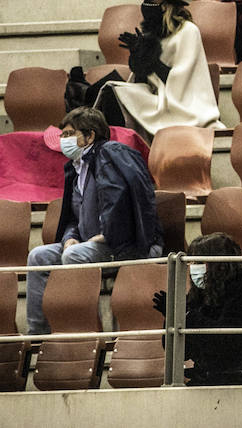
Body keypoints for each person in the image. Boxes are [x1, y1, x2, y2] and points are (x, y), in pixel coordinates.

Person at [26, 107, 161, 334]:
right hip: (93, 245)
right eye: (63, 135)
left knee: (73, 255)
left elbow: (121, 200)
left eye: (69, 134)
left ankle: (83, 332)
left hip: (125, 245)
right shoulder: (76, 169)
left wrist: (105, 235)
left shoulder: (111, 154)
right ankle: (38, 334)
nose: (63, 140)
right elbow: (73, 218)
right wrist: (70, 237)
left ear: (90, 136)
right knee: (38, 256)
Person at [91, 0, 221, 139]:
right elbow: (142, 80)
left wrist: (151, 59)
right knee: (102, 89)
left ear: (166, 5)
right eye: (144, 0)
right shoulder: (152, 32)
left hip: (180, 105)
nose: (145, 5)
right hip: (155, 97)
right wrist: (137, 55)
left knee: (113, 93)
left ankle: (126, 150)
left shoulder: (188, 31)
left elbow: (181, 83)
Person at [154, 232, 242, 386]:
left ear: (219, 265)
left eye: (198, 262)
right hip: (214, 378)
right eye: (191, 262)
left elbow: (225, 341)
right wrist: (173, 316)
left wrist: (185, 315)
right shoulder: (199, 296)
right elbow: (182, 352)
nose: (192, 269)